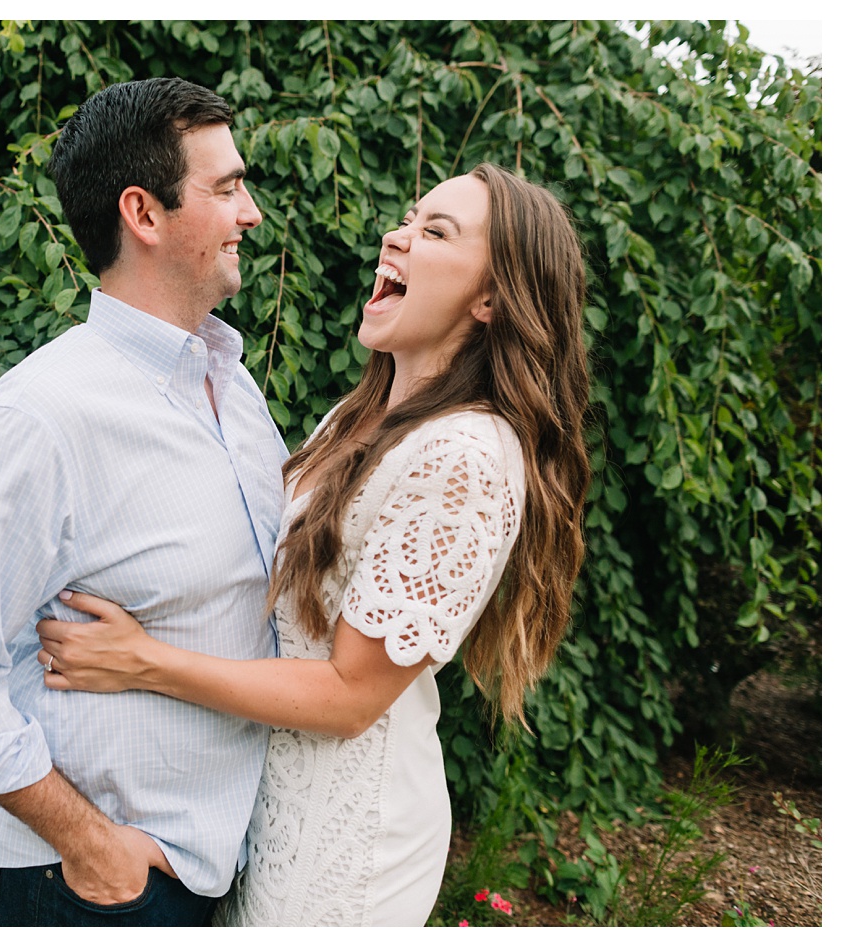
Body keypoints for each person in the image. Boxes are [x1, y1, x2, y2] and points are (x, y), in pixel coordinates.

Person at [36, 163, 592, 926]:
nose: (397, 235)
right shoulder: (354, 419)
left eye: (435, 233)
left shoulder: (465, 455)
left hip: (347, 837)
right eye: (408, 216)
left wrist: (144, 661)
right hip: (267, 800)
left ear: (493, 298)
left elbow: (351, 695)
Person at [0, 77, 287, 926]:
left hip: (210, 862)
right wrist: (90, 842)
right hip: (94, 885)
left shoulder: (234, 388)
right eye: (226, 187)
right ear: (143, 213)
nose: (249, 213)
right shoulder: (43, 415)